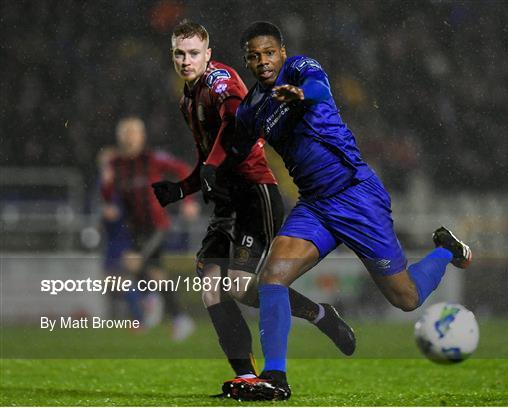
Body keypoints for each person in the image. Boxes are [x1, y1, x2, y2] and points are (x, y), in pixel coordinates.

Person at [223, 21, 473, 401]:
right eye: (254, 57)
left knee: (405, 298)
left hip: (356, 195)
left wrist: (300, 95)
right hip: (315, 206)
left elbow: (320, 90)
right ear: (247, 62)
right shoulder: (251, 109)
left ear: (282, 52)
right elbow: (236, 151)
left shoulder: (302, 69)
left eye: (269, 52)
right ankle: (275, 377)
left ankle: (446, 251)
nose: (263, 61)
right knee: (272, 278)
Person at [151, 20, 356, 388]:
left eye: (194, 53)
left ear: (207, 54)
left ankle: (319, 314)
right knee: (211, 286)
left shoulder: (221, 82)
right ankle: (246, 376)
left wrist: (211, 166)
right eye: (180, 54)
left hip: (254, 193)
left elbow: (233, 129)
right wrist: (182, 189)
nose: (186, 60)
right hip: (226, 202)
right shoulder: (188, 97)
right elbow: (210, 160)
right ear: (173, 56)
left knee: (242, 287)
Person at [100, 117, 199, 340]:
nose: (129, 137)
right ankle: (179, 318)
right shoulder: (115, 164)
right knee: (155, 273)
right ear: (120, 137)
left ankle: (152, 301)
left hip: (156, 225)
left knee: (131, 263)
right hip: (134, 226)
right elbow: (108, 194)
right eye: (126, 132)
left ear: (142, 137)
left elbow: (182, 169)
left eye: (134, 132)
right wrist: (107, 193)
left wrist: (188, 201)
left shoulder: (152, 159)